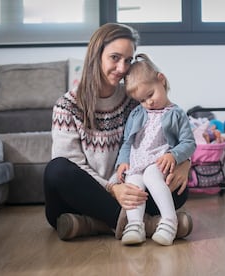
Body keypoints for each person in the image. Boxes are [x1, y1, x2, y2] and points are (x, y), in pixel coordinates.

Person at [43, 23, 193, 242]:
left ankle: (91, 224)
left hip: (132, 190)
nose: (123, 68)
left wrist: (184, 162)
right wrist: (113, 189)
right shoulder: (67, 105)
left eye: (128, 60)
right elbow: (71, 164)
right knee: (56, 170)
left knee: (179, 189)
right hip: (83, 196)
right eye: (115, 57)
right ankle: (148, 225)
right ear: (97, 56)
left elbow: (166, 136)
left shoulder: (135, 100)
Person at [116, 54, 196, 246]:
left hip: (159, 161)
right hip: (137, 163)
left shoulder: (176, 114)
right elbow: (128, 141)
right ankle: (135, 225)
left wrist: (174, 155)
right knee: (133, 184)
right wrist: (123, 161)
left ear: (161, 80)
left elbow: (189, 143)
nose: (148, 103)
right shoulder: (137, 114)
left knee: (152, 175)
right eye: (142, 100)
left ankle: (169, 221)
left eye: (150, 95)